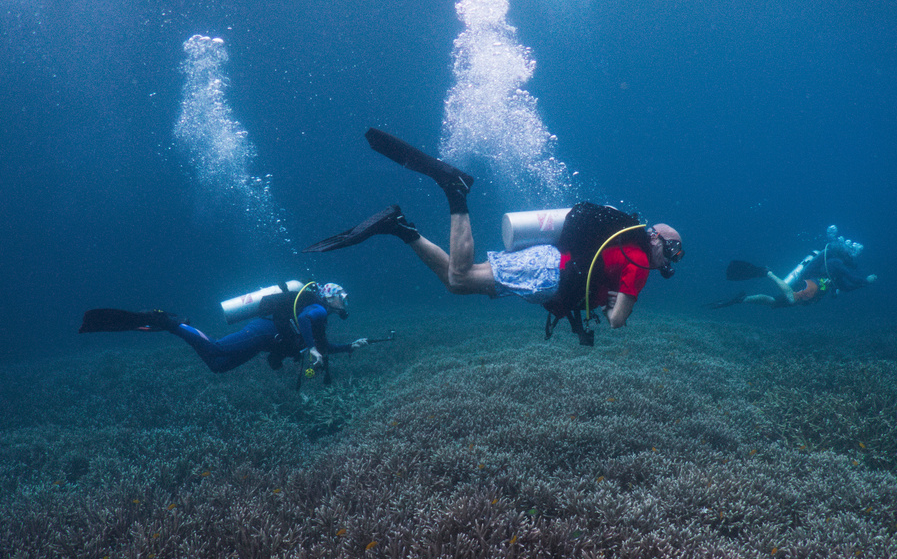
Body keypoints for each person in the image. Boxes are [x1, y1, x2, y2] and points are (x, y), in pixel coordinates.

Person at [304, 128, 684, 344]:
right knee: (460, 276)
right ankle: (454, 189)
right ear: (655, 240)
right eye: (672, 251)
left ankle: (399, 227)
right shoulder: (637, 265)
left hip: (548, 268)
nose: (671, 260)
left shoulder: (624, 242)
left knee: (456, 285)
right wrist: (614, 306)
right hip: (548, 274)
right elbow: (617, 321)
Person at [79, 282, 369, 376]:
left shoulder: (321, 312)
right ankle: (167, 321)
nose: (344, 301)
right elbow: (305, 323)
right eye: (341, 297)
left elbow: (323, 345)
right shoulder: (317, 308)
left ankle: (181, 326)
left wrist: (349, 347)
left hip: (266, 339)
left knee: (218, 366)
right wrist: (315, 349)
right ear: (330, 296)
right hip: (263, 331)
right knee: (217, 349)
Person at [709, 226, 878, 309]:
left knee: (774, 302)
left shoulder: (834, 266)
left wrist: (861, 283)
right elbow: (851, 278)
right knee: (791, 298)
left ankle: (741, 299)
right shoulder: (835, 263)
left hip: (812, 288)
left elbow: (846, 287)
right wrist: (866, 281)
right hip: (810, 283)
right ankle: (768, 273)